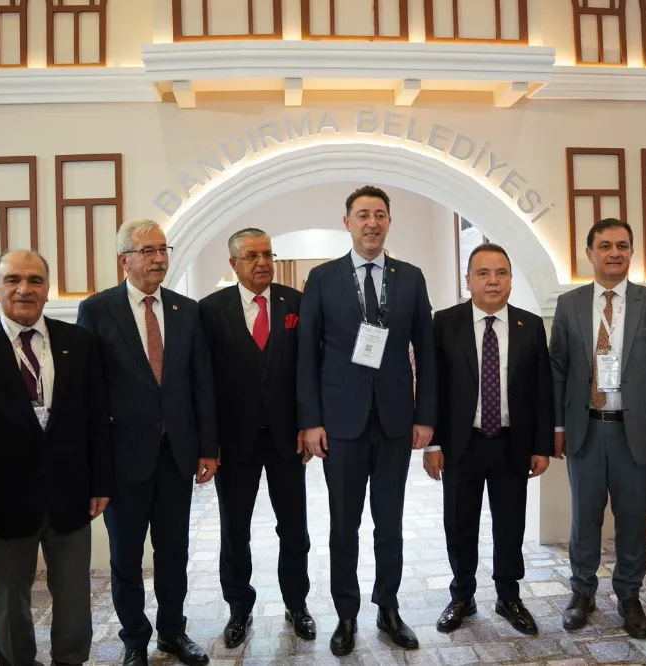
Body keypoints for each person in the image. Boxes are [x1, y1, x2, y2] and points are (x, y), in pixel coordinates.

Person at [0, 249, 112, 666]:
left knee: (74, 596)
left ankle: (70, 660)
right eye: (13, 279)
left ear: (48, 289)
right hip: (1, 502)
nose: (24, 289)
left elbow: (96, 419)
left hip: (69, 496)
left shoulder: (80, 343)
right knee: (9, 598)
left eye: (35, 280)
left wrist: (101, 482)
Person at [297, 185, 437, 656]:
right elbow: (307, 354)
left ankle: (388, 608)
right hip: (340, 423)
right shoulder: (322, 278)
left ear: (389, 222)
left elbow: (426, 351)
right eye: (363, 215)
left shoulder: (411, 277)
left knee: (390, 525)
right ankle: (346, 613)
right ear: (347, 223)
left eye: (379, 214)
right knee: (344, 526)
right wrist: (311, 420)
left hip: (396, 421)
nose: (371, 223)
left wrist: (426, 416)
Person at [77, 219, 218, 666]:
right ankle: (135, 639)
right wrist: (95, 466)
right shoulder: (97, 310)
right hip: (123, 460)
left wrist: (208, 447)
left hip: (176, 456)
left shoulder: (185, 309)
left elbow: (201, 382)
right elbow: (89, 393)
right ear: (124, 260)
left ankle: (172, 632)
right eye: (148, 251)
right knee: (126, 557)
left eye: (163, 250)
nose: (159, 259)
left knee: (174, 553)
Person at [548, 218, 646, 639]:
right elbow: (557, 369)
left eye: (622, 245)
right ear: (589, 253)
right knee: (584, 518)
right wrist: (556, 426)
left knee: (631, 519)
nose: (614, 253)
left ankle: (629, 595)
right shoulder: (569, 304)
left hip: (635, 432)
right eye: (605, 245)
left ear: (631, 252)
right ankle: (582, 592)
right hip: (585, 429)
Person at [426, 243, 553, 636]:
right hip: (460, 444)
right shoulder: (445, 323)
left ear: (511, 280)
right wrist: (433, 444)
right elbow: (432, 387)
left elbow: (542, 390)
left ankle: (508, 596)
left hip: (512, 443)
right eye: (483, 273)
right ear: (468, 280)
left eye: (501, 273)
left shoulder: (530, 325)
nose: (493, 281)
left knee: (510, 523)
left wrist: (541, 446)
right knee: (459, 523)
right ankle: (462, 596)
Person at [199, 228, 315, 648]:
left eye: (267, 254)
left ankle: (297, 604)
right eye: (252, 256)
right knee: (235, 532)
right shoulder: (209, 310)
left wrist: (309, 423)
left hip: (287, 439)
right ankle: (238, 608)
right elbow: (203, 381)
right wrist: (208, 443)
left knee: (294, 529)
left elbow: (308, 368)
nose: (262, 262)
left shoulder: (295, 303)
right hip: (234, 443)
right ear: (234, 264)